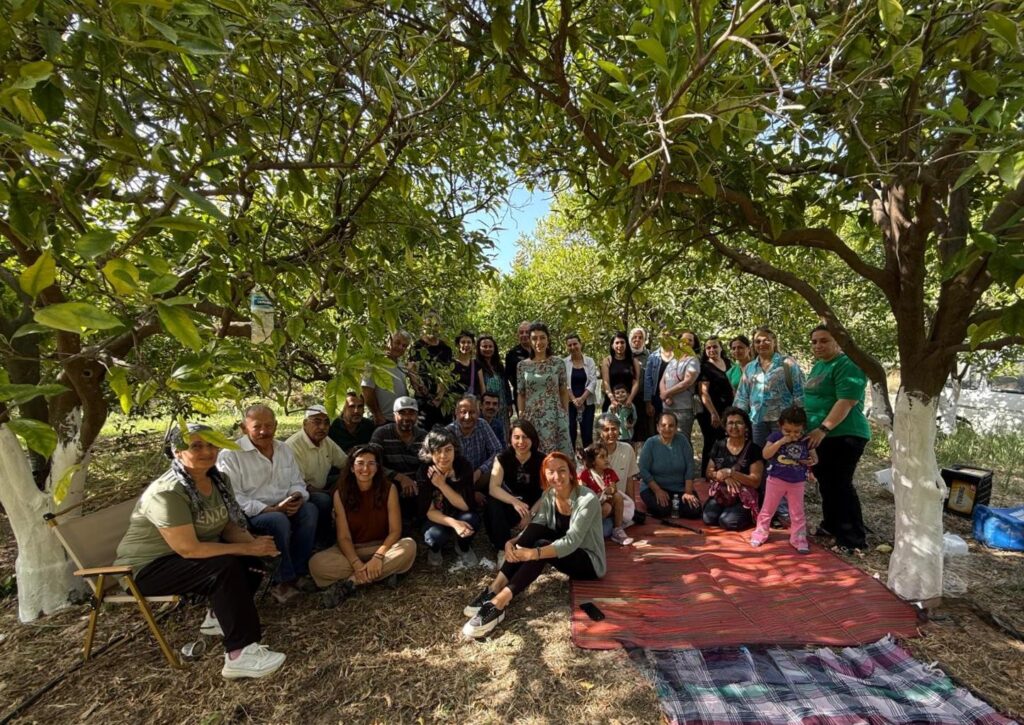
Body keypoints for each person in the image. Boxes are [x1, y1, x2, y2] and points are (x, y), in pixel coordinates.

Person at [114, 424, 285, 680]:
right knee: (225, 566)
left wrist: (256, 546)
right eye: (196, 446)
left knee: (249, 558)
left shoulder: (217, 479)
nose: (207, 451)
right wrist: (246, 547)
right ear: (177, 452)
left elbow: (226, 524)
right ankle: (240, 653)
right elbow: (189, 549)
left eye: (212, 445)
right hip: (145, 569)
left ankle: (218, 616)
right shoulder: (168, 492)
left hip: (183, 559)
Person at [461, 452, 605, 638]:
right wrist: (512, 542)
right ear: (544, 475)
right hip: (562, 549)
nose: (556, 476)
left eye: (562, 470)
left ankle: (499, 603)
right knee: (536, 532)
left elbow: (571, 542)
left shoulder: (587, 499)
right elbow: (537, 525)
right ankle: (494, 588)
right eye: (550, 472)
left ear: (571, 473)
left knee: (541, 547)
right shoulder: (549, 495)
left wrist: (533, 554)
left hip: (587, 561)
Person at [217, 404, 317, 603]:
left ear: (276, 426)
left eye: (269, 426)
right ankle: (282, 581)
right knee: (277, 520)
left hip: (283, 505)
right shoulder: (230, 455)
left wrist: (296, 497)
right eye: (257, 427)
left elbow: (296, 481)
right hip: (251, 513)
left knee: (310, 510)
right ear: (244, 428)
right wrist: (269, 509)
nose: (264, 432)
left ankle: (299, 570)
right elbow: (234, 498)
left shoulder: (283, 449)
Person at [309, 444, 416, 607]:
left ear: (378, 468)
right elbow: (343, 537)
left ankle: (351, 582)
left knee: (409, 546)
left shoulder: (389, 489)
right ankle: (381, 574)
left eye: (371, 463)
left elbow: (395, 531)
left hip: (382, 548)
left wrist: (378, 557)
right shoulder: (341, 493)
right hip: (351, 550)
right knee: (316, 564)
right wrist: (356, 564)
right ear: (352, 468)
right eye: (360, 463)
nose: (365, 468)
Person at [804, 325, 872, 551]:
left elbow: (846, 401)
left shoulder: (848, 364)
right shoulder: (818, 366)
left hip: (844, 435)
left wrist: (823, 429)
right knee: (827, 484)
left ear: (838, 342)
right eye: (814, 342)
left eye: (824, 341)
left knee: (840, 485)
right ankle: (831, 525)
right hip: (821, 438)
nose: (818, 345)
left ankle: (852, 538)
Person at [750, 406, 817, 552]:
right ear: (780, 426)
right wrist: (781, 442)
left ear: (803, 428)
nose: (792, 435)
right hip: (776, 479)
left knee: (797, 511)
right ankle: (760, 533)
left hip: (797, 481)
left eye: (797, 432)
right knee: (768, 508)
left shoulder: (806, 440)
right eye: (787, 431)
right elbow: (766, 454)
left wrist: (811, 461)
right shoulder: (775, 437)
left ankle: (798, 538)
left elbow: (814, 458)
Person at [285, 405, 347, 548]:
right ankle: (322, 540)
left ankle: (347, 533)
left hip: (321, 485)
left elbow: (345, 464)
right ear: (305, 424)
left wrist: (340, 484)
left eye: (326, 423)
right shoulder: (293, 446)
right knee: (324, 500)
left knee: (353, 480)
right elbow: (300, 485)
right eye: (317, 422)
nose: (322, 427)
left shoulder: (326, 441)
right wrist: (331, 493)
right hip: (299, 493)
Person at [417, 427, 480, 568]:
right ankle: (435, 549)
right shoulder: (424, 471)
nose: (443, 456)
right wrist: (454, 523)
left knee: (471, 519)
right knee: (435, 536)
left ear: (455, 450)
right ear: (430, 453)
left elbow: (465, 506)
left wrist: (442, 485)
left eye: (448, 450)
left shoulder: (463, 466)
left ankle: (462, 546)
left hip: (459, 512)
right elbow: (429, 511)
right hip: (436, 518)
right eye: (438, 451)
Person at [734, 327, 805, 446]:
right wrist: (738, 419)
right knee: (760, 457)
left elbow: (800, 392)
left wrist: (801, 421)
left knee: (782, 458)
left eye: (766, 340)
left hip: (784, 422)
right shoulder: (750, 367)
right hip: (758, 422)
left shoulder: (787, 363)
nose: (762, 344)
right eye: (757, 341)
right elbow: (742, 396)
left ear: (774, 341)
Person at [483, 420, 545, 551]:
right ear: (510, 439)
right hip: (512, 505)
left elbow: (549, 491)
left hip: (536, 506)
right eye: (516, 437)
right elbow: (493, 488)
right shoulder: (502, 458)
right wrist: (514, 502)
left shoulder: (542, 459)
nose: (521, 442)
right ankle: (502, 548)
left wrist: (531, 513)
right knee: (492, 501)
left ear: (532, 438)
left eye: (525, 437)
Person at [703, 407, 763, 530]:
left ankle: (748, 513)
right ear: (725, 427)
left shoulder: (754, 449)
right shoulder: (719, 444)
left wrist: (730, 473)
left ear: (746, 427)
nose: (734, 427)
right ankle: (727, 509)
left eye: (739, 423)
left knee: (727, 522)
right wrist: (724, 477)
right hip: (722, 493)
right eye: (730, 423)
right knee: (709, 518)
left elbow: (755, 481)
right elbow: (709, 473)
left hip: (744, 497)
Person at [517, 321, 572, 456]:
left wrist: (565, 414)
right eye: (534, 338)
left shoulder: (558, 363)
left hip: (555, 416)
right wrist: (521, 416)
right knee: (534, 454)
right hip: (532, 416)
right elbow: (521, 394)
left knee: (557, 456)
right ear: (530, 341)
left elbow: (563, 391)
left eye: (542, 337)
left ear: (548, 340)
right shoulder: (522, 366)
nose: (538, 342)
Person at [370, 397, 428, 524]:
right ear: (394, 415)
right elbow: (372, 463)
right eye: (402, 413)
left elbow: (427, 465)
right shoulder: (381, 434)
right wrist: (400, 478)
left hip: (416, 483)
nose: (407, 418)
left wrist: (413, 482)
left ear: (417, 416)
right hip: (390, 483)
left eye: (411, 413)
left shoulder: (424, 436)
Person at [638, 412, 701, 519]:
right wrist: (657, 490)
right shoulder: (650, 443)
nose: (667, 428)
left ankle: (674, 505)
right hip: (654, 488)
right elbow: (643, 470)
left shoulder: (682, 441)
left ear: (676, 428)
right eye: (663, 425)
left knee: (694, 511)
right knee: (663, 511)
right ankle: (665, 505)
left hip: (679, 489)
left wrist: (688, 492)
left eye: (671, 425)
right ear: (658, 427)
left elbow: (690, 467)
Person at [446, 394, 503, 501]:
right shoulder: (449, 432)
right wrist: (470, 492)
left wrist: (480, 471)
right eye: (463, 412)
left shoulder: (482, 425)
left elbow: (498, 450)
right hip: (456, 482)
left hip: (480, 478)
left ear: (478, 413)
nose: (467, 417)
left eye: (472, 412)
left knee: (497, 470)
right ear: (456, 413)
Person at [579, 442, 634, 545]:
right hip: (592, 513)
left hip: (608, 512)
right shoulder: (585, 474)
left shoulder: (609, 473)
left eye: (606, 456)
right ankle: (590, 531)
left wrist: (609, 491)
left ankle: (617, 530)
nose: (606, 459)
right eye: (602, 457)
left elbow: (614, 489)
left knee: (616, 497)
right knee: (606, 510)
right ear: (593, 461)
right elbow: (582, 494)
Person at [696, 336, 734, 476]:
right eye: (708, 347)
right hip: (710, 411)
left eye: (715, 346)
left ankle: (724, 473)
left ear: (721, 348)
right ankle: (707, 475)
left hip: (729, 410)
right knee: (712, 442)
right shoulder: (704, 368)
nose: (712, 350)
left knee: (727, 441)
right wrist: (713, 413)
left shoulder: (729, 363)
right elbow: (703, 393)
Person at [410, 313, 453, 429]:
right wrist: (423, 392)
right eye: (428, 325)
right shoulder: (416, 346)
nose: (432, 328)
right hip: (422, 400)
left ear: (439, 327)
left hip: (442, 400)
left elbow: (447, 374)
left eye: (435, 325)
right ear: (423, 327)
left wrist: (438, 397)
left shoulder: (446, 348)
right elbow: (412, 371)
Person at [596, 413, 641, 522]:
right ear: (599, 432)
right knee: (606, 529)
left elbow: (630, 479)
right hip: (600, 505)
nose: (611, 433)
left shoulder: (627, 449)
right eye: (606, 430)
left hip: (620, 504)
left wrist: (633, 507)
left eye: (614, 429)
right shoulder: (593, 452)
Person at [659, 330, 701, 444]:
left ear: (694, 344)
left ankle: (686, 462)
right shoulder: (674, 359)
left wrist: (667, 394)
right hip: (667, 407)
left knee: (682, 440)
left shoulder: (693, 360)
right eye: (683, 339)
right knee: (667, 439)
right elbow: (663, 380)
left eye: (690, 340)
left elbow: (687, 382)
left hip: (683, 408)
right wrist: (664, 396)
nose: (686, 342)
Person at [362, 332, 412, 426]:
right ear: (389, 341)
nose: (400, 347)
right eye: (397, 343)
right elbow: (367, 390)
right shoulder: (375, 362)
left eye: (404, 346)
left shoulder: (400, 364)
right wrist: (377, 415)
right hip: (382, 420)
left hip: (399, 419)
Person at [563, 333, 599, 451]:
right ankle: (571, 463)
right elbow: (564, 383)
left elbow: (593, 381)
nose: (573, 347)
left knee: (587, 434)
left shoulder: (590, 361)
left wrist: (582, 398)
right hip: (569, 404)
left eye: (575, 344)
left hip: (587, 403)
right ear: (566, 347)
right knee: (570, 433)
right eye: (569, 345)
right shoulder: (563, 363)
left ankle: (588, 463)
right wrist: (573, 399)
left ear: (580, 344)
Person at [476, 334, 511, 434]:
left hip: (501, 405)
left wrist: (509, 403)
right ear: (479, 348)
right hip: (486, 406)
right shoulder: (476, 365)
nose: (488, 349)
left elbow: (505, 385)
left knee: (503, 432)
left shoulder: (498, 365)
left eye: (490, 346)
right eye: (484, 346)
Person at [601, 331, 642, 414]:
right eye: (617, 343)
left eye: (622, 342)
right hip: (612, 403)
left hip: (630, 402)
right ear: (612, 345)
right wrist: (612, 400)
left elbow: (636, 382)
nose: (619, 345)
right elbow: (606, 383)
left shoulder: (634, 361)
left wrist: (630, 399)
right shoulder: (607, 361)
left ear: (627, 344)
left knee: (629, 426)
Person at [644, 329, 675, 435]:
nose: (666, 338)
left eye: (669, 335)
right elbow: (647, 379)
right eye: (664, 336)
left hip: (675, 398)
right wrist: (648, 403)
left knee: (673, 427)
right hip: (656, 398)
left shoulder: (679, 355)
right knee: (657, 429)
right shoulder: (653, 356)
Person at [629, 327, 653, 440]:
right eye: (634, 337)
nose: (637, 340)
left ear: (645, 340)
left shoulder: (650, 356)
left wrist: (649, 402)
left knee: (644, 432)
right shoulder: (624, 355)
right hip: (627, 398)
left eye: (640, 337)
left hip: (644, 399)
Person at [504, 321, 532, 414]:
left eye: (527, 332)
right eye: (521, 332)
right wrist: (509, 401)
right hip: (521, 396)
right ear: (517, 335)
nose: (524, 335)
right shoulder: (512, 354)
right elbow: (506, 379)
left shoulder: (541, 351)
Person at [452, 330, 477, 397]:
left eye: (469, 342)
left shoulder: (476, 364)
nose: (466, 345)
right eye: (463, 342)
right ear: (457, 345)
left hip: (472, 404)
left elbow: (482, 387)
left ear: (473, 345)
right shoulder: (451, 363)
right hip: (454, 403)